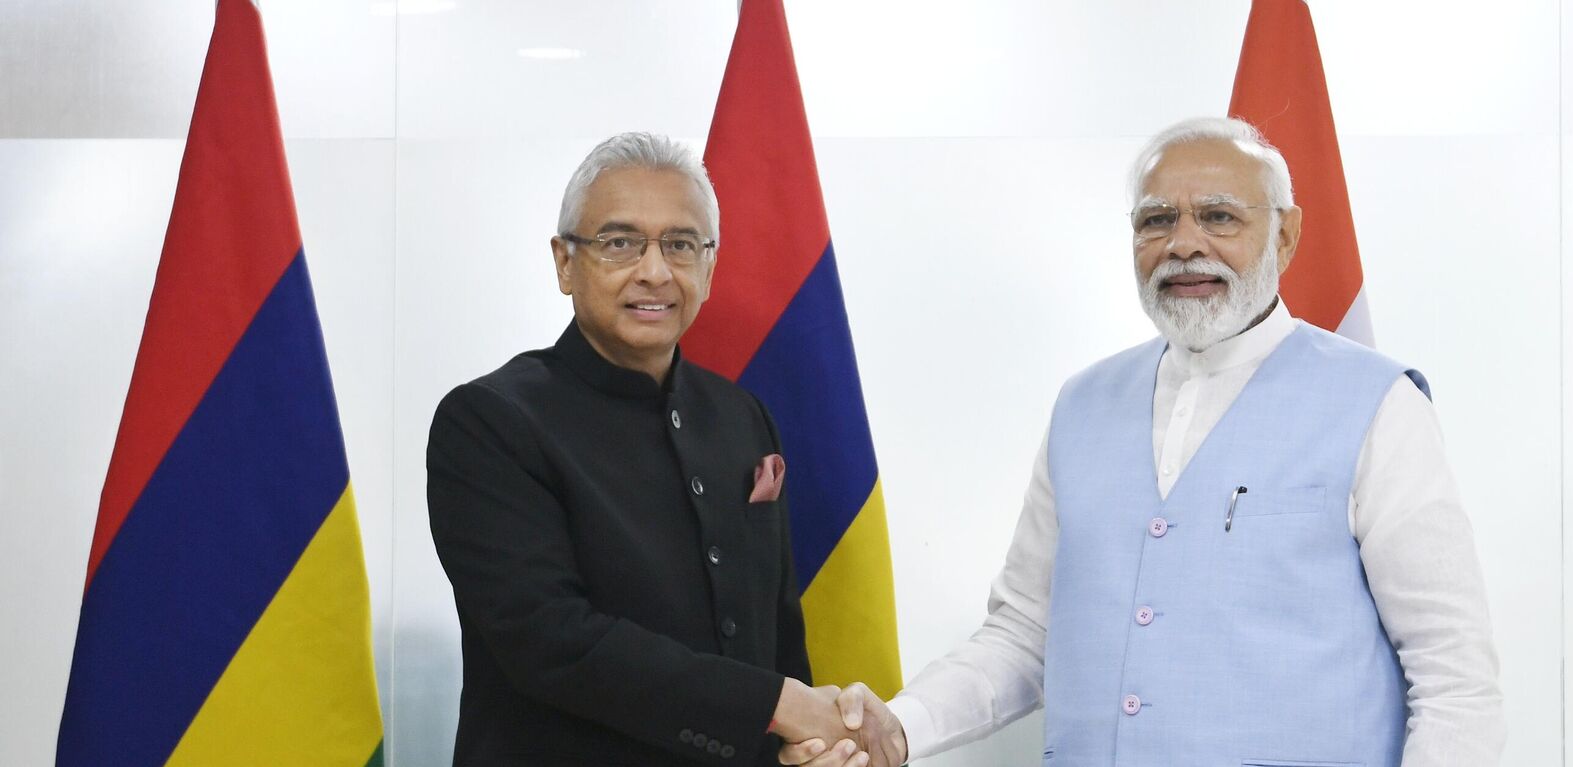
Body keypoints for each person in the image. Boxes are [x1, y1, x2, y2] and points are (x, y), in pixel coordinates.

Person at [784, 117, 1503, 767]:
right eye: (1157, 220)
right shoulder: (1083, 403)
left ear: (1284, 235)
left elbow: (1453, 673)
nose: (1184, 243)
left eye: (1218, 216)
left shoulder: (1377, 403)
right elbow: (1025, 631)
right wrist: (899, 725)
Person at [427, 132, 875, 766]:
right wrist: (774, 705)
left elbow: (777, 634)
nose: (656, 271)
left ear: (710, 266)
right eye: (620, 243)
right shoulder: (489, 423)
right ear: (564, 262)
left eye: (681, 244)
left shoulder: (743, 418)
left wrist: (803, 745)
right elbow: (552, 641)